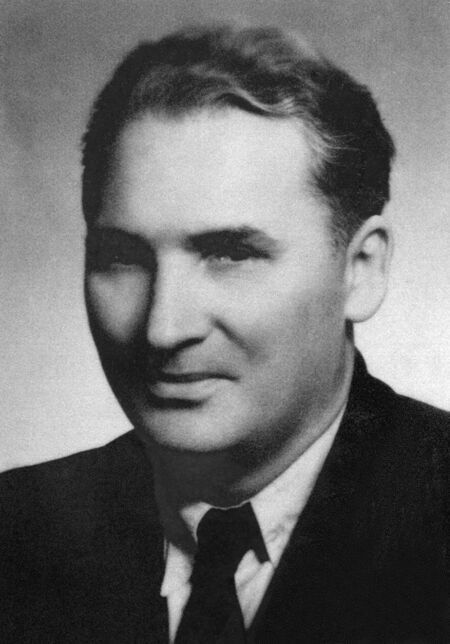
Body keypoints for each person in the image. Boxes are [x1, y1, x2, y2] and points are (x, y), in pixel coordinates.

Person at [0, 23, 448, 643]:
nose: (163, 329)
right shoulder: (15, 531)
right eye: (123, 258)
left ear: (361, 270)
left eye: (230, 254)